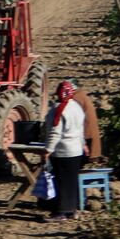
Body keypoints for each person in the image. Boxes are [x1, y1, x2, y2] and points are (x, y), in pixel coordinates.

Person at [40, 81, 88, 223]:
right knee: (71, 182)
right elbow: (80, 130)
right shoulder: (77, 107)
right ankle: (72, 210)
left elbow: (55, 133)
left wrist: (48, 150)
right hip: (76, 151)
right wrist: (83, 144)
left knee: (60, 182)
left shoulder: (59, 109)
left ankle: (60, 212)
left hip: (62, 152)